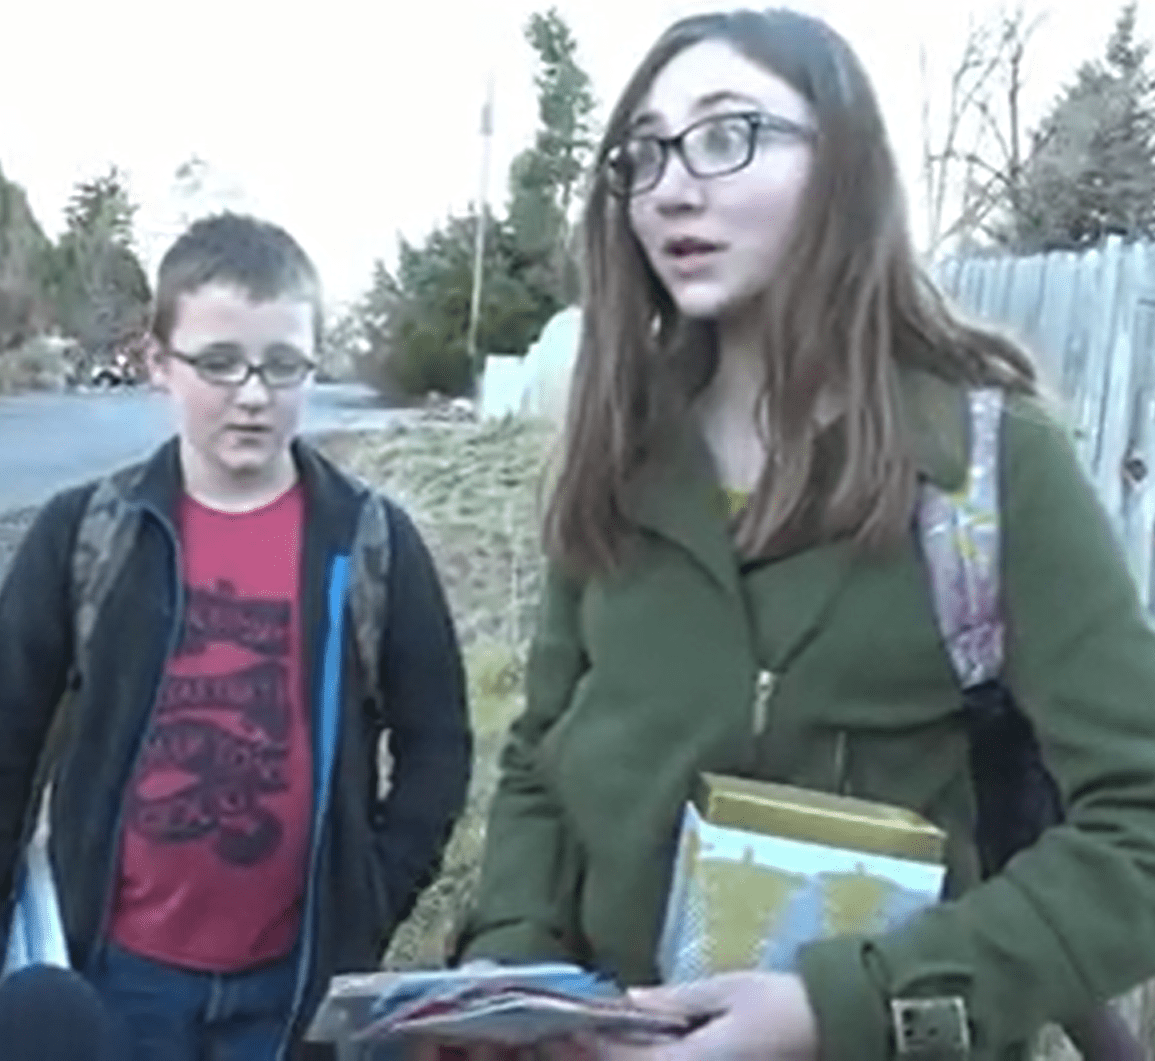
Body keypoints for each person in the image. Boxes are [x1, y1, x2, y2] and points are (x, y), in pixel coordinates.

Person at [452, 8, 1155, 1061]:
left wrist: (845, 1007)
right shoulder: (618, 458)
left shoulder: (989, 467)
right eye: (642, 153)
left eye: (728, 133)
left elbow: (1139, 831)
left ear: (845, 167)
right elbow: (545, 759)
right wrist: (506, 966)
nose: (673, 187)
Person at [0, 213, 472, 1059]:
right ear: (158, 364)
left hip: (293, 986)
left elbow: (438, 743)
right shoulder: (85, 533)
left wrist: (368, 899)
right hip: (117, 974)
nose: (253, 393)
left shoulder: (371, 540)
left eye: (282, 364)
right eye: (218, 363)